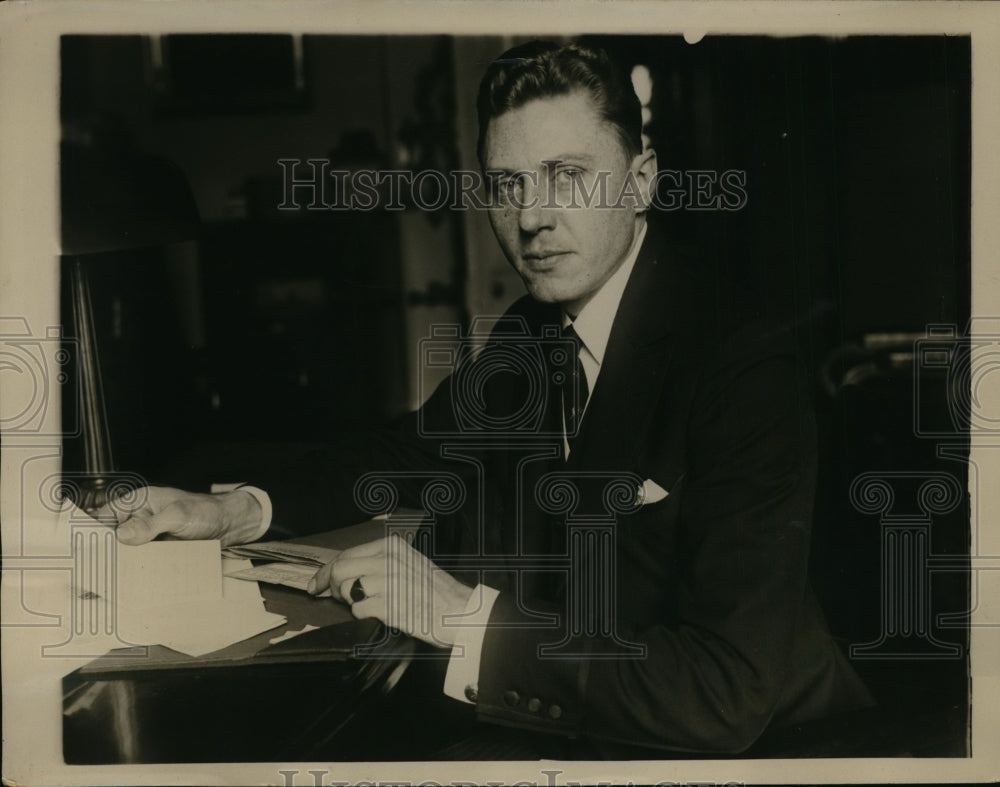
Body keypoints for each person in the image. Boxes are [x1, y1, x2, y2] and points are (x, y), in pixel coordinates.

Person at [103, 40, 872, 757]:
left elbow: (724, 689)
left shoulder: (742, 358)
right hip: (594, 724)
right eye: (508, 184)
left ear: (642, 180)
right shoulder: (531, 333)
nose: (531, 217)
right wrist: (236, 509)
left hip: (778, 748)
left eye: (567, 174)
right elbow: (407, 452)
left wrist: (459, 613)